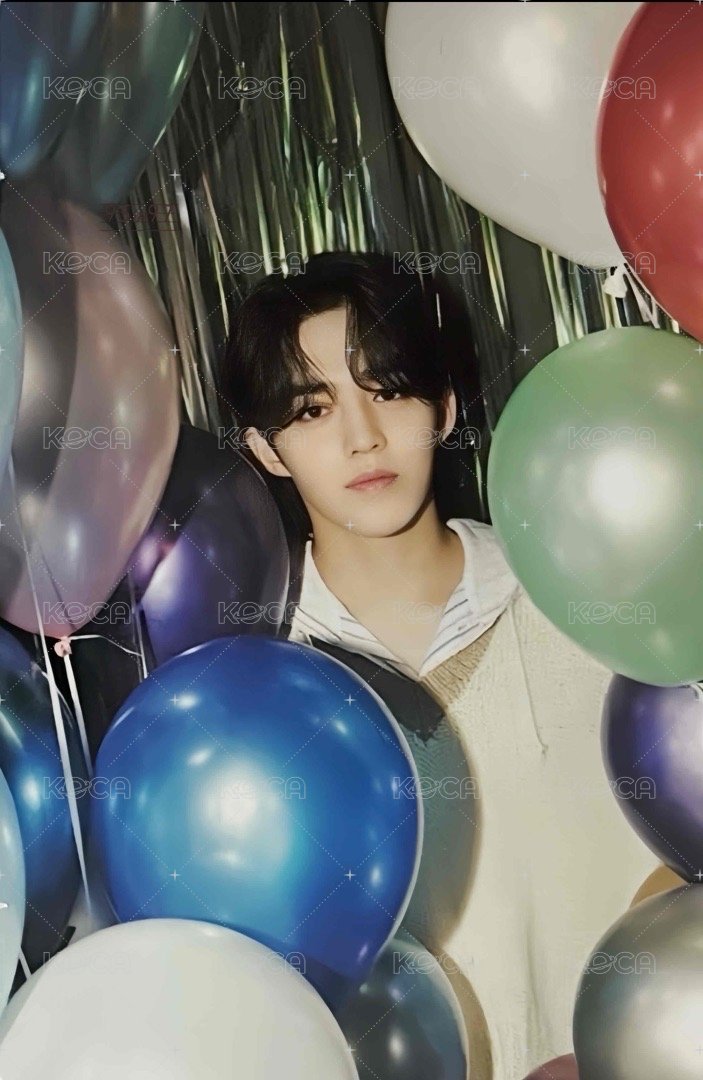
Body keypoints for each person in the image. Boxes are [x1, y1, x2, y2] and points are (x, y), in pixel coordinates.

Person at [221, 252, 664, 1080]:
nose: (362, 437)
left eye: (389, 391)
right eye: (313, 409)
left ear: (446, 407)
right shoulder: (252, 690)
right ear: (266, 450)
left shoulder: (583, 605)